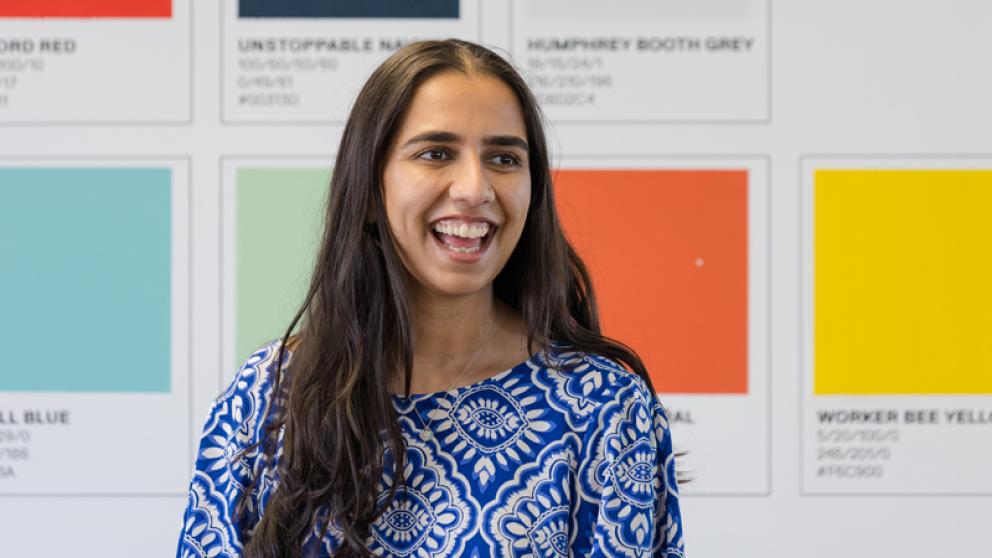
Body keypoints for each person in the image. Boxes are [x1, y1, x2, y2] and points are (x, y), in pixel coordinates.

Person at [176, 39, 685, 558]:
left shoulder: (602, 404)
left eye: (504, 158)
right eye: (436, 153)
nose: (474, 187)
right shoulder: (268, 398)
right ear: (371, 191)